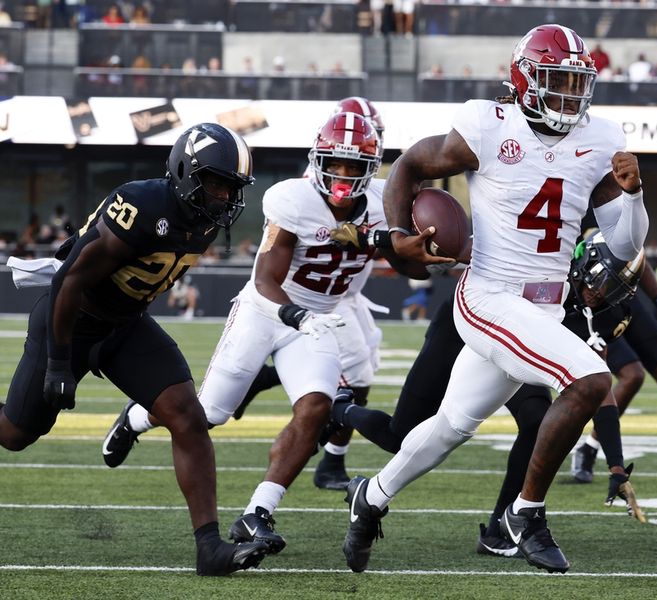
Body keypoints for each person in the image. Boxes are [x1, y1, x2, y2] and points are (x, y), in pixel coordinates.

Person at [340, 23, 648, 574]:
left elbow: (625, 244)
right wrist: (393, 232)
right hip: (488, 294)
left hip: (545, 308)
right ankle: (524, 515)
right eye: (558, 82)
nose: (570, 96)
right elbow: (410, 164)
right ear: (524, 80)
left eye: (578, 84)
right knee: (589, 379)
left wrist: (635, 195)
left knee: (452, 425)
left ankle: (372, 496)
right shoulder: (487, 125)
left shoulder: (599, 138)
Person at [101, 112, 425, 556]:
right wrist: (297, 315)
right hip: (267, 311)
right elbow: (267, 278)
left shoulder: (383, 201)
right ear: (318, 159)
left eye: (355, 166)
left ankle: (258, 512)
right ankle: (135, 419)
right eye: (337, 163)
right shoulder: (294, 200)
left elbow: (412, 263)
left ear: (371, 168)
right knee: (207, 413)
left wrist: (411, 245)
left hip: (321, 317)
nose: (345, 174)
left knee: (315, 409)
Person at [2, 123, 271, 575]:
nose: (224, 196)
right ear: (186, 172)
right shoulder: (142, 204)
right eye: (216, 183)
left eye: (231, 187)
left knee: (186, 414)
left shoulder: (202, 221)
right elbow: (68, 280)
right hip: (71, 317)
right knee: (15, 434)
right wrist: (58, 363)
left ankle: (209, 548)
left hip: (125, 325)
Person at [320, 232, 647, 559]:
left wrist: (616, 467)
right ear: (586, 264)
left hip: (513, 346)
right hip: (464, 328)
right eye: (604, 281)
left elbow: (598, 392)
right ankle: (341, 409)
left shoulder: (596, 314)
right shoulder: (550, 265)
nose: (603, 294)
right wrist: (388, 237)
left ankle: (500, 529)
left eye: (615, 288)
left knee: (534, 420)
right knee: (399, 436)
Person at [232, 96, 389, 492]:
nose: (348, 167)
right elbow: (321, 227)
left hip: (344, 292)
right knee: (351, 377)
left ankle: (328, 455)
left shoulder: (373, 186)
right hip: (307, 295)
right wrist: (373, 235)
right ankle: (330, 459)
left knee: (361, 372)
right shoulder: (313, 184)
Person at [572, 258, 657, 485]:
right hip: (591, 301)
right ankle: (590, 449)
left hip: (624, 295)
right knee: (632, 375)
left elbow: (638, 257)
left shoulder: (622, 222)